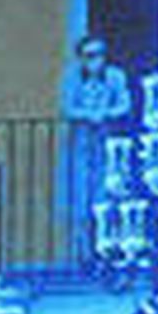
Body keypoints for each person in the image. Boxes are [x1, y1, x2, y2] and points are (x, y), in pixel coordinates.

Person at [61, 34, 133, 259]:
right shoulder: (72, 79)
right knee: (81, 200)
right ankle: (82, 254)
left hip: (108, 146)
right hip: (80, 146)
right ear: (81, 58)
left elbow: (125, 104)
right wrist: (89, 115)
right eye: (90, 55)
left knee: (108, 198)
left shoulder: (115, 77)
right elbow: (67, 108)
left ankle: (109, 254)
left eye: (101, 54)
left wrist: (105, 114)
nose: (97, 60)